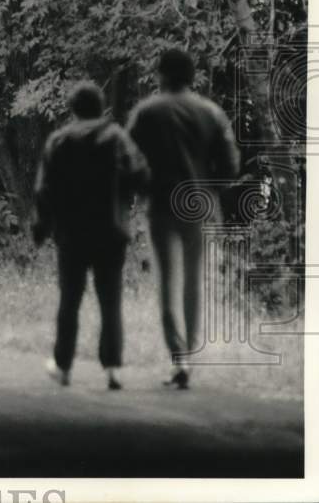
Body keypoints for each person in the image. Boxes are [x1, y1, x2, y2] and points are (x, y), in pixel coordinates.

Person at [127, 48, 241, 390]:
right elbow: (231, 167)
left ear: (161, 74)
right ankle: (190, 356)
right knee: (194, 283)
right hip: (202, 206)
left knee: (167, 282)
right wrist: (211, 186)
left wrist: (142, 187)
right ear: (192, 77)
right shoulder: (212, 113)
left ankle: (178, 358)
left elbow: (128, 159)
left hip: (162, 205)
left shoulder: (146, 112)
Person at [33, 82, 149, 390]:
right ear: (101, 108)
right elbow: (140, 174)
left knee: (69, 299)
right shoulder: (117, 138)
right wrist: (129, 203)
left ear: (73, 109)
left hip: (71, 233)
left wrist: (42, 227)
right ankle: (112, 368)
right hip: (110, 231)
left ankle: (63, 366)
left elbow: (44, 191)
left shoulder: (59, 141)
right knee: (110, 300)